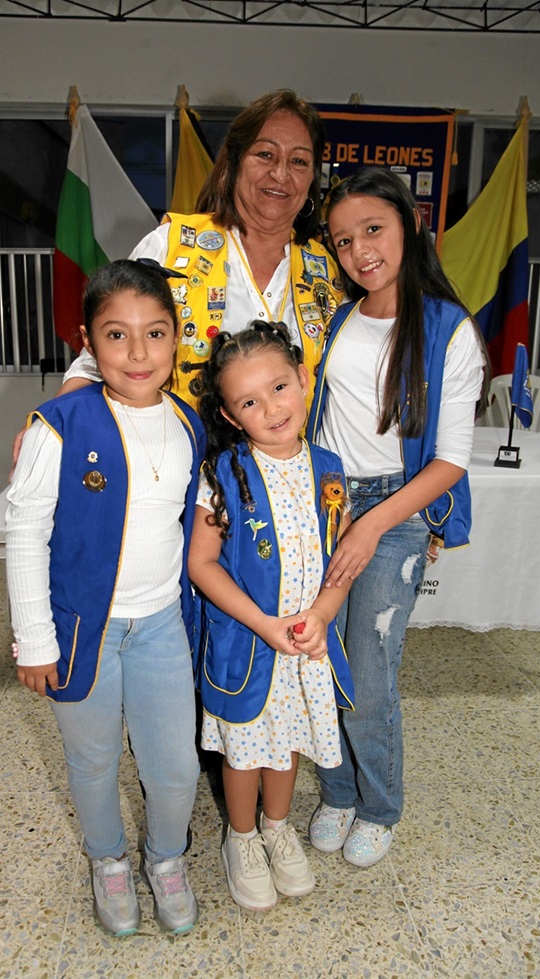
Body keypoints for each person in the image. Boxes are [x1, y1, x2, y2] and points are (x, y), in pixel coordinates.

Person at [6, 260, 205, 937]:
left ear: (177, 338)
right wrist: (35, 638)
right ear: (89, 342)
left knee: (175, 765)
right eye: (116, 335)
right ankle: (109, 860)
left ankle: (166, 857)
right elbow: (25, 530)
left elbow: (187, 512)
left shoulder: (186, 422)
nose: (139, 352)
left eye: (155, 332)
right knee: (92, 759)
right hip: (82, 628)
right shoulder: (58, 423)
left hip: (159, 625)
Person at [306, 166, 490, 868]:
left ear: (410, 223)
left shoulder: (449, 331)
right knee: (318, 657)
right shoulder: (340, 316)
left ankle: (381, 804)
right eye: (343, 240)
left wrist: (375, 522)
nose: (360, 252)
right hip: (326, 503)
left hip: (396, 509)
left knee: (371, 675)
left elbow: (448, 463)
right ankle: (339, 790)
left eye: (373, 230)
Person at [187, 321, 355, 911]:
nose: (272, 408)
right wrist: (266, 624)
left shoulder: (331, 469)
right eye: (250, 401)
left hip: (307, 643)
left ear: (304, 380)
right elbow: (202, 566)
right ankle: (242, 837)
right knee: (244, 751)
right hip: (249, 645)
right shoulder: (222, 475)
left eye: (280, 387)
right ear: (232, 416)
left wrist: (324, 612)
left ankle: (278, 828)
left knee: (286, 747)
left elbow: (341, 557)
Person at [58, 89, 343, 410]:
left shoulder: (327, 271)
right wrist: (59, 419)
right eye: (265, 154)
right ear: (234, 163)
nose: (281, 173)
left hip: (294, 458)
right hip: (180, 454)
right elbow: (105, 350)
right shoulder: (171, 245)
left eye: (299, 161)